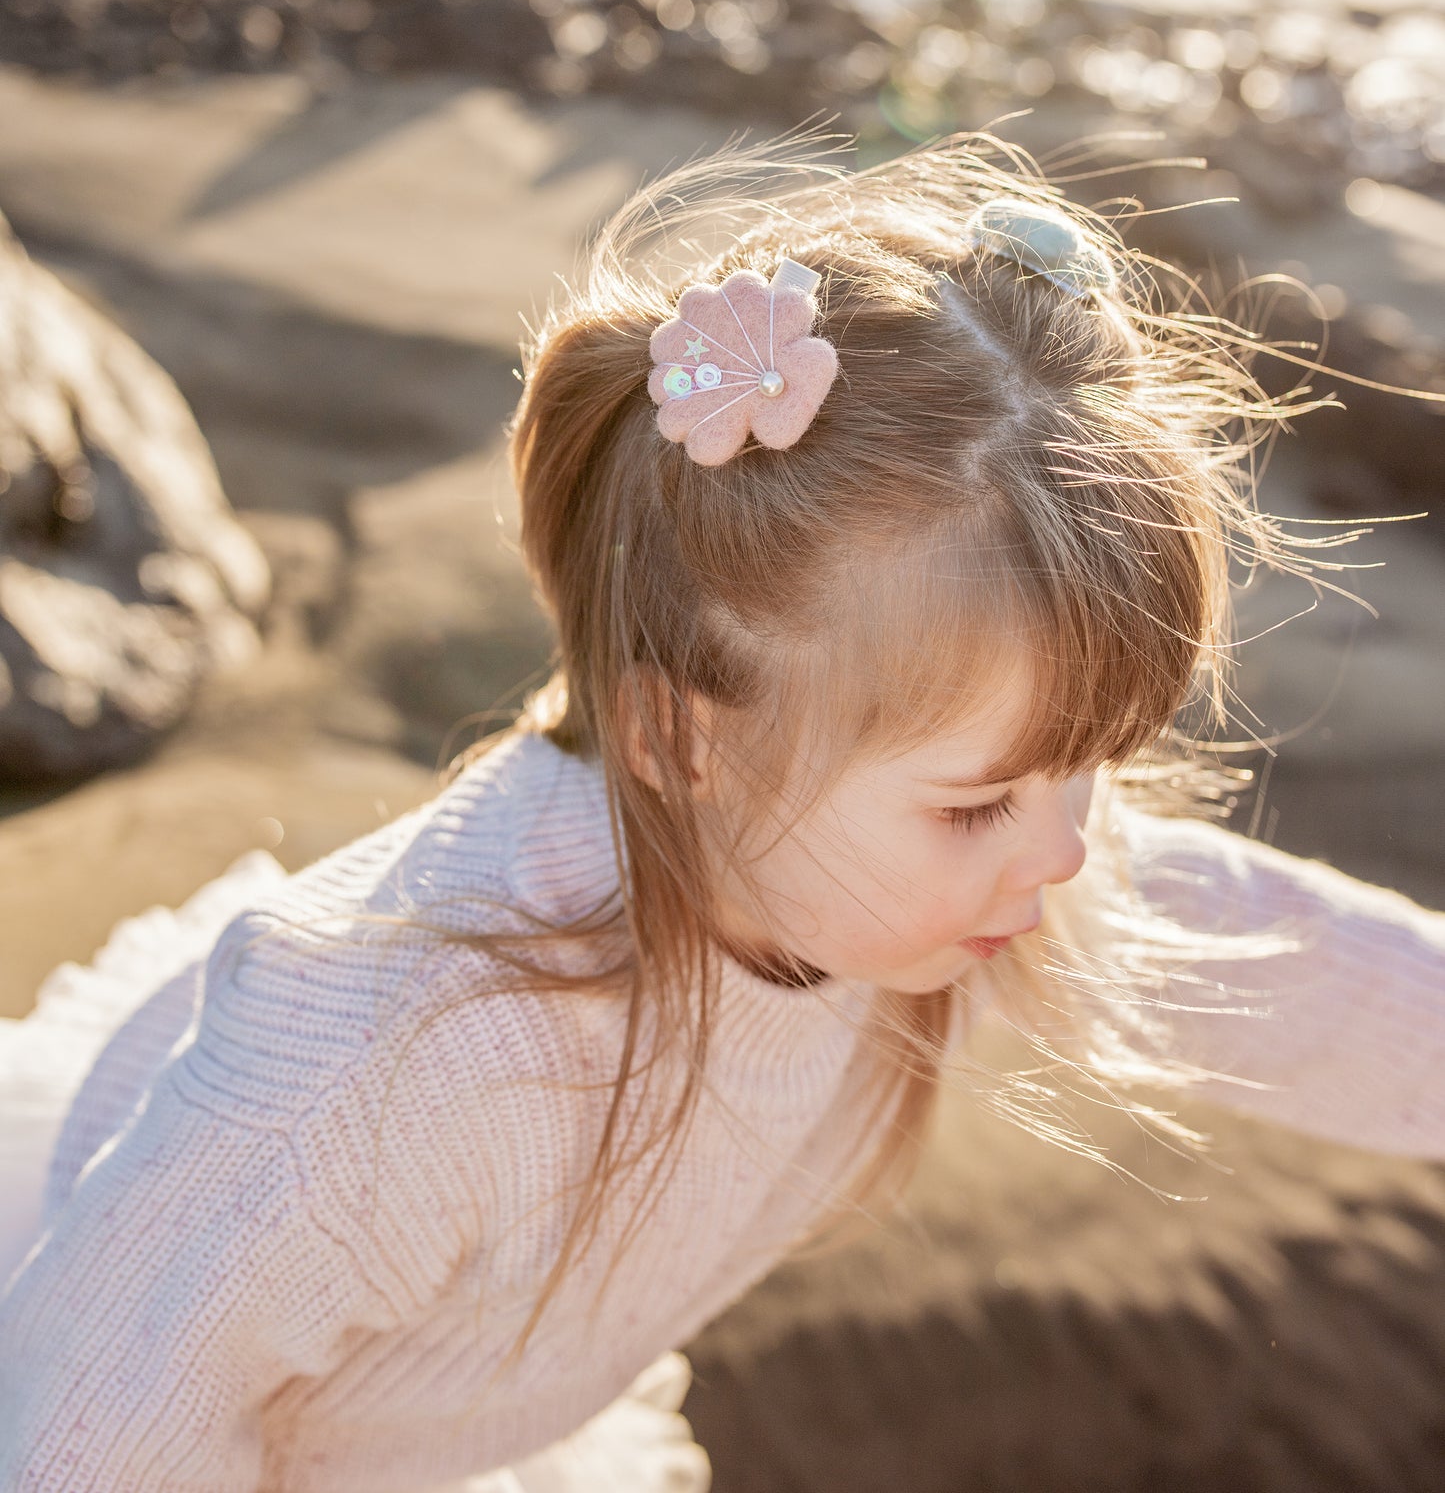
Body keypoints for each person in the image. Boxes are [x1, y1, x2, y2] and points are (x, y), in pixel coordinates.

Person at [2, 133, 1444, 1493]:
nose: (1067, 846)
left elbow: (1281, 969)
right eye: (981, 800)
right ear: (678, 735)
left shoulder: (917, 866)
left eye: (1094, 767)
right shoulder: (392, 1065)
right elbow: (92, 1436)